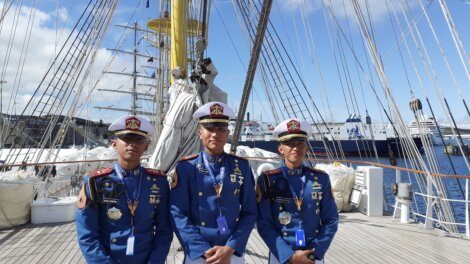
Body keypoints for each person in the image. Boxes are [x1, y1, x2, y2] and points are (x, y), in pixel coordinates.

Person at [76, 115, 173, 264]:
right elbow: (87, 234)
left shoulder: (158, 182)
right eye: (127, 139)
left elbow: (164, 230)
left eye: (139, 140)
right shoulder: (96, 182)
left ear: (146, 146)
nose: (132, 144)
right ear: (114, 144)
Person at [170, 102, 257, 264]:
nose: (215, 134)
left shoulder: (242, 167)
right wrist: (201, 249)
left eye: (221, 129)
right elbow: (177, 212)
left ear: (227, 133)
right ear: (200, 133)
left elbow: (250, 211)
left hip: (231, 250)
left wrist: (232, 246)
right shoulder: (186, 168)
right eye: (210, 129)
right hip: (199, 252)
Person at [256, 118, 339, 264]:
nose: (296, 148)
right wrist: (288, 256)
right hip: (281, 255)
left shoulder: (321, 179)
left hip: (312, 255)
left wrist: (314, 253)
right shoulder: (268, 180)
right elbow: (264, 223)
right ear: (281, 149)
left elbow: (331, 220)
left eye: (300, 143)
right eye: (290, 143)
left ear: (306, 147)